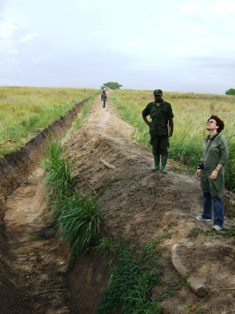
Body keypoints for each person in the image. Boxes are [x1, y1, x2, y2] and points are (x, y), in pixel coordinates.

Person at [195, 115, 229, 231]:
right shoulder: (206, 139)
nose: (208, 123)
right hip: (205, 172)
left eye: (211, 122)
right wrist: (199, 168)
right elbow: (204, 156)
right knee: (206, 194)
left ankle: (218, 223)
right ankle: (206, 215)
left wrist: (216, 170)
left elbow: (225, 157)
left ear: (217, 126)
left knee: (217, 197)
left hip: (215, 173)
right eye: (208, 121)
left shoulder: (221, 139)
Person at [142, 89, 174, 174]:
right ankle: (156, 166)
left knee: (164, 148)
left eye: (159, 95)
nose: (157, 97)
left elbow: (170, 119)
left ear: (161, 95)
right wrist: (148, 123)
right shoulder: (150, 105)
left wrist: (171, 130)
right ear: (154, 96)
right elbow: (144, 114)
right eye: (156, 95)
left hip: (164, 131)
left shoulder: (167, 105)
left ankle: (163, 167)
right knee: (155, 148)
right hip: (154, 131)